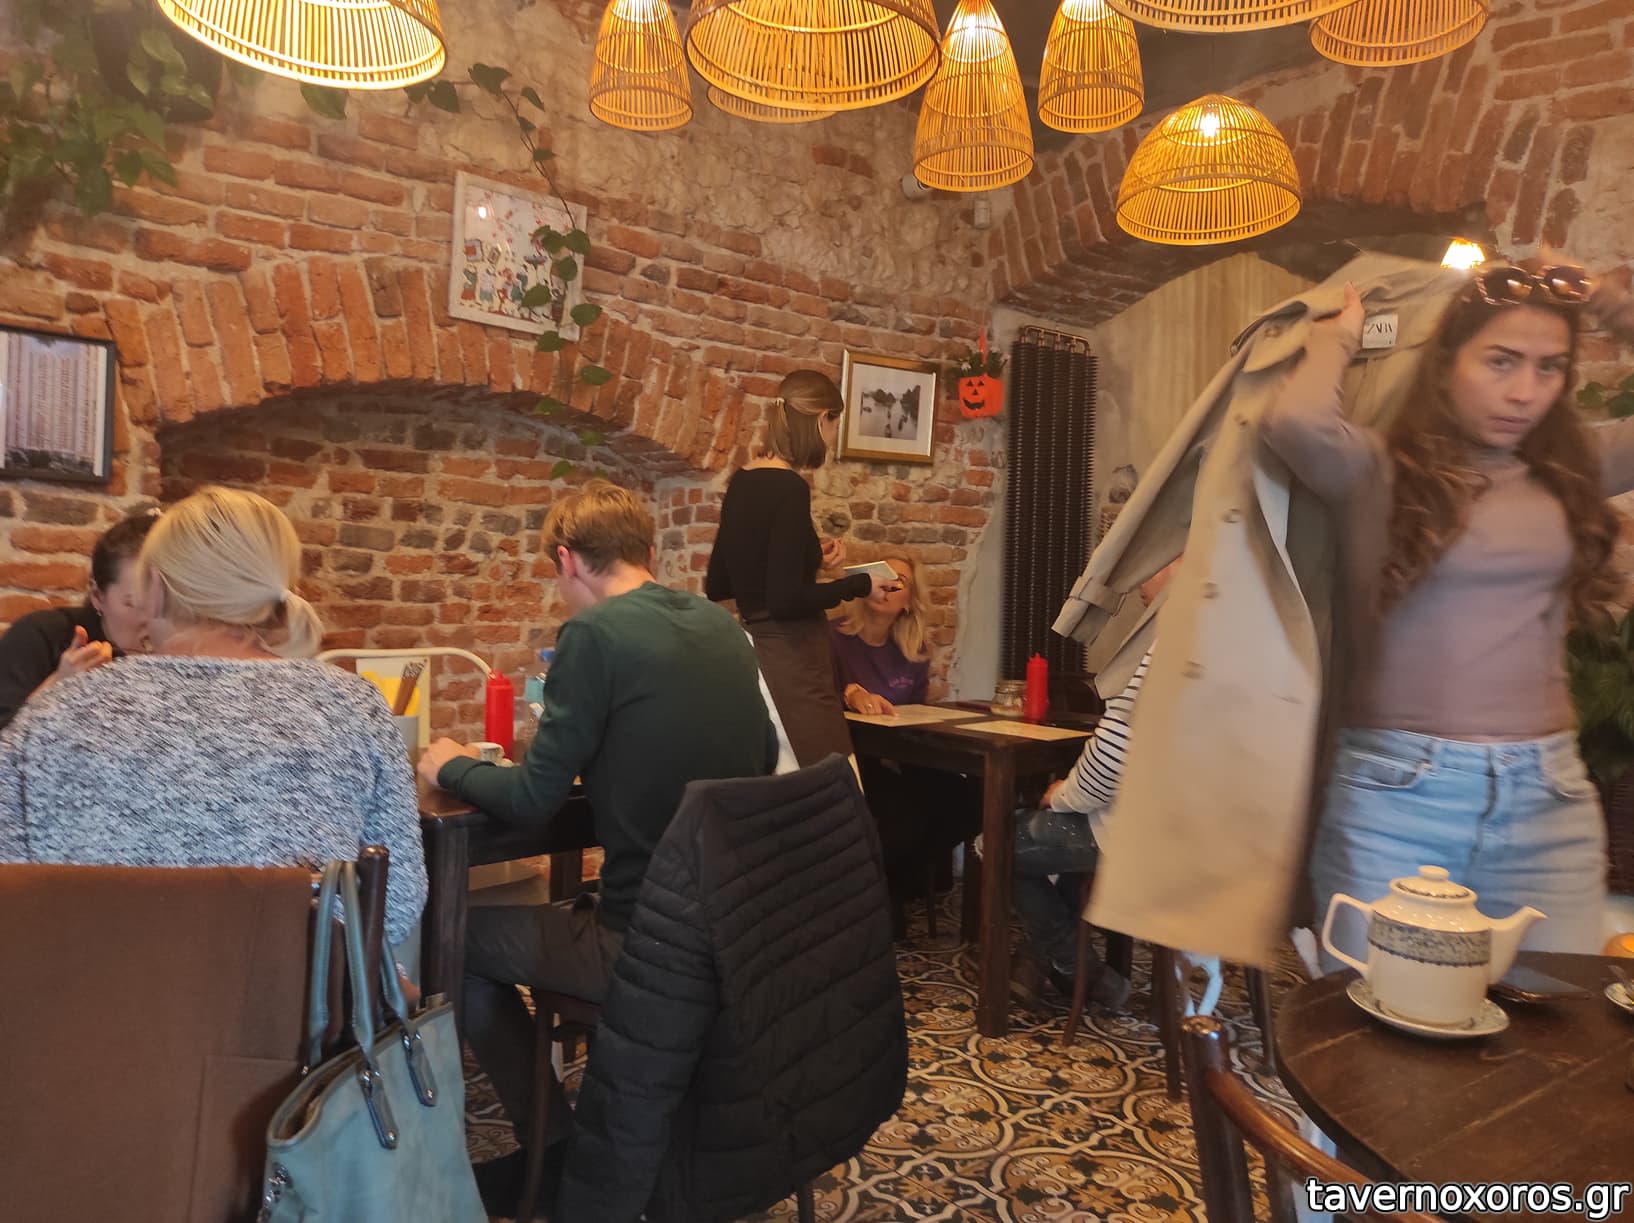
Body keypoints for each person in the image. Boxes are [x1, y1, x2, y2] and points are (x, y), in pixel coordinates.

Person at [418, 480, 778, 1213]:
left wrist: (447, 764)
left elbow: (532, 799)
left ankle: (552, 1147)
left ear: (566, 559)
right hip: (736, 930)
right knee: (556, 911)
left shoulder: (593, 635)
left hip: (643, 942)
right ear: (646, 549)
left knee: (449, 937)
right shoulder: (719, 626)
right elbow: (763, 755)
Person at [1263, 265, 1634, 964]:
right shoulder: (1377, 470)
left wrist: (1607, 302)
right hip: (1398, 797)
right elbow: (1293, 422)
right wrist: (1338, 336)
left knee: (1558, 1018)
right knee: (1378, 1021)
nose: (1524, 391)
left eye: (1549, 367)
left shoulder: (1573, 470)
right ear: (1445, 364)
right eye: (1501, 361)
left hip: (1549, 797)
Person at [0, 486, 428, 948]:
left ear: (156, 591)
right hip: (302, 994)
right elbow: (397, 904)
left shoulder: (55, 712)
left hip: (92, 992)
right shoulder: (351, 705)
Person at [706, 369, 899, 766]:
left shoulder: (742, 480)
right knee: (832, 779)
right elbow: (786, 600)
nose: (832, 437)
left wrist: (810, 559)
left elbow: (720, 583)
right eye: (834, 426)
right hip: (794, 659)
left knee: (779, 780)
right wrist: (860, 584)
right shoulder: (790, 487)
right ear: (821, 419)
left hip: (754, 657)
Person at [1011, 562, 1180, 1010]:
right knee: (1063, 839)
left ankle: (1078, 968)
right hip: (1206, 836)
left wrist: (1064, 793)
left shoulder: (1171, 642)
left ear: (1180, 565)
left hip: (1145, 834)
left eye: (1151, 566)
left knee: (998, 842)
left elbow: (1109, 762)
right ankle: (1041, 964)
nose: (1140, 580)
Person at [829, 553, 980, 935]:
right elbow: (814, 707)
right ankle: (881, 892)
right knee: (904, 814)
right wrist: (849, 693)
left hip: (901, 758)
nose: (887, 585)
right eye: (881, 577)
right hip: (853, 761)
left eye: (899, 582)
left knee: (969, 799)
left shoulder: (915, 651)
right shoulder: (831, 638)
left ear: (909, 602)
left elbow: (916, 715)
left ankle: (891, 881)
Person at [0, 508, 160, 730]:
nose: (155, 619)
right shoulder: (41, 636)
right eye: (137, 604)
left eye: (172, 604)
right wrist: (57, 691)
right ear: (97, 596)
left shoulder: (187, 649)